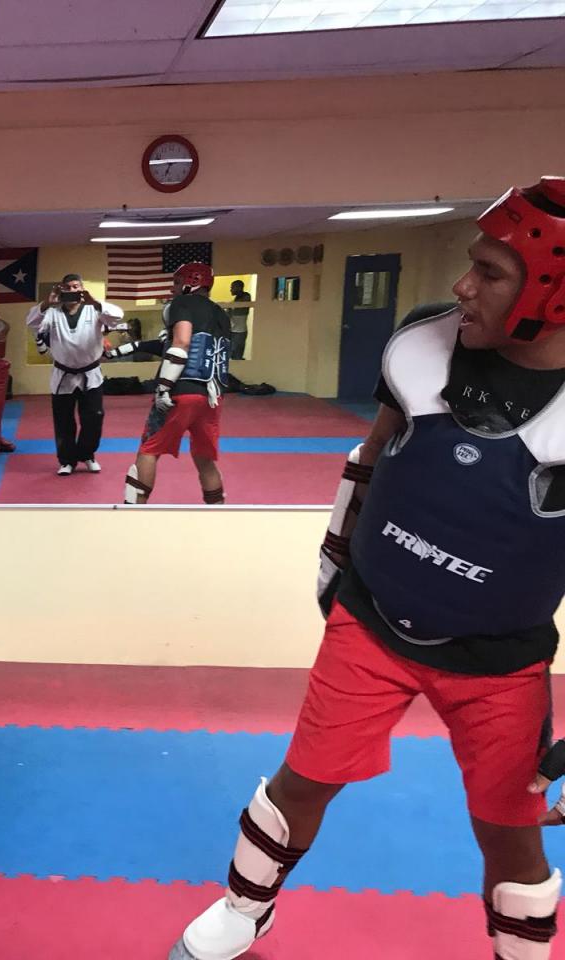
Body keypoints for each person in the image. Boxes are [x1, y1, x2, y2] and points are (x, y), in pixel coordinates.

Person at [170, 177, 565, 960]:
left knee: (510, 832)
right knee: (303, 780)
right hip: (372, 620)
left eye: (490, 272)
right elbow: (374, 455)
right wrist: (335, 558)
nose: (464, 286)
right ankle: (246, 909)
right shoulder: (424, 344)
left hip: (500, 661)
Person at [124, 262, 232, 505]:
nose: (172, 289)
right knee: (204, 458)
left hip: (181, 391)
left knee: (149, 449)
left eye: (176, 282)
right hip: (212, 396)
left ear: (191, 282)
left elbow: (182, 342)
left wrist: (163, 387)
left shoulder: (182, 304)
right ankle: (217, 512)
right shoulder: (221, 314)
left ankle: (133, 512)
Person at [25, 273, 124, 475]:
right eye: (68, 287)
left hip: (91, 375)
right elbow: (32, 323)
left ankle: (87, 455)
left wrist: (94, 301)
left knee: (94, 418)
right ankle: (67, 461)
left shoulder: (94, 310)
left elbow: (117, 316)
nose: (72, 290)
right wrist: (47, 302)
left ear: (82, 289)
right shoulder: (52, 313)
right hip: (63, 375)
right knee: (63, 420)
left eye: (76, 286)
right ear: (61, 290)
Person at [229, 280, 252, 360]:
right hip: (233, 330)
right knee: (231, 354)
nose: (230, 290)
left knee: (237, 356)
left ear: (239, 288)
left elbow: (238, 311)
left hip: (239, 331)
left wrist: (230, 308)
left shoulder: (246, 296)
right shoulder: (236, 298)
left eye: (232, 287)